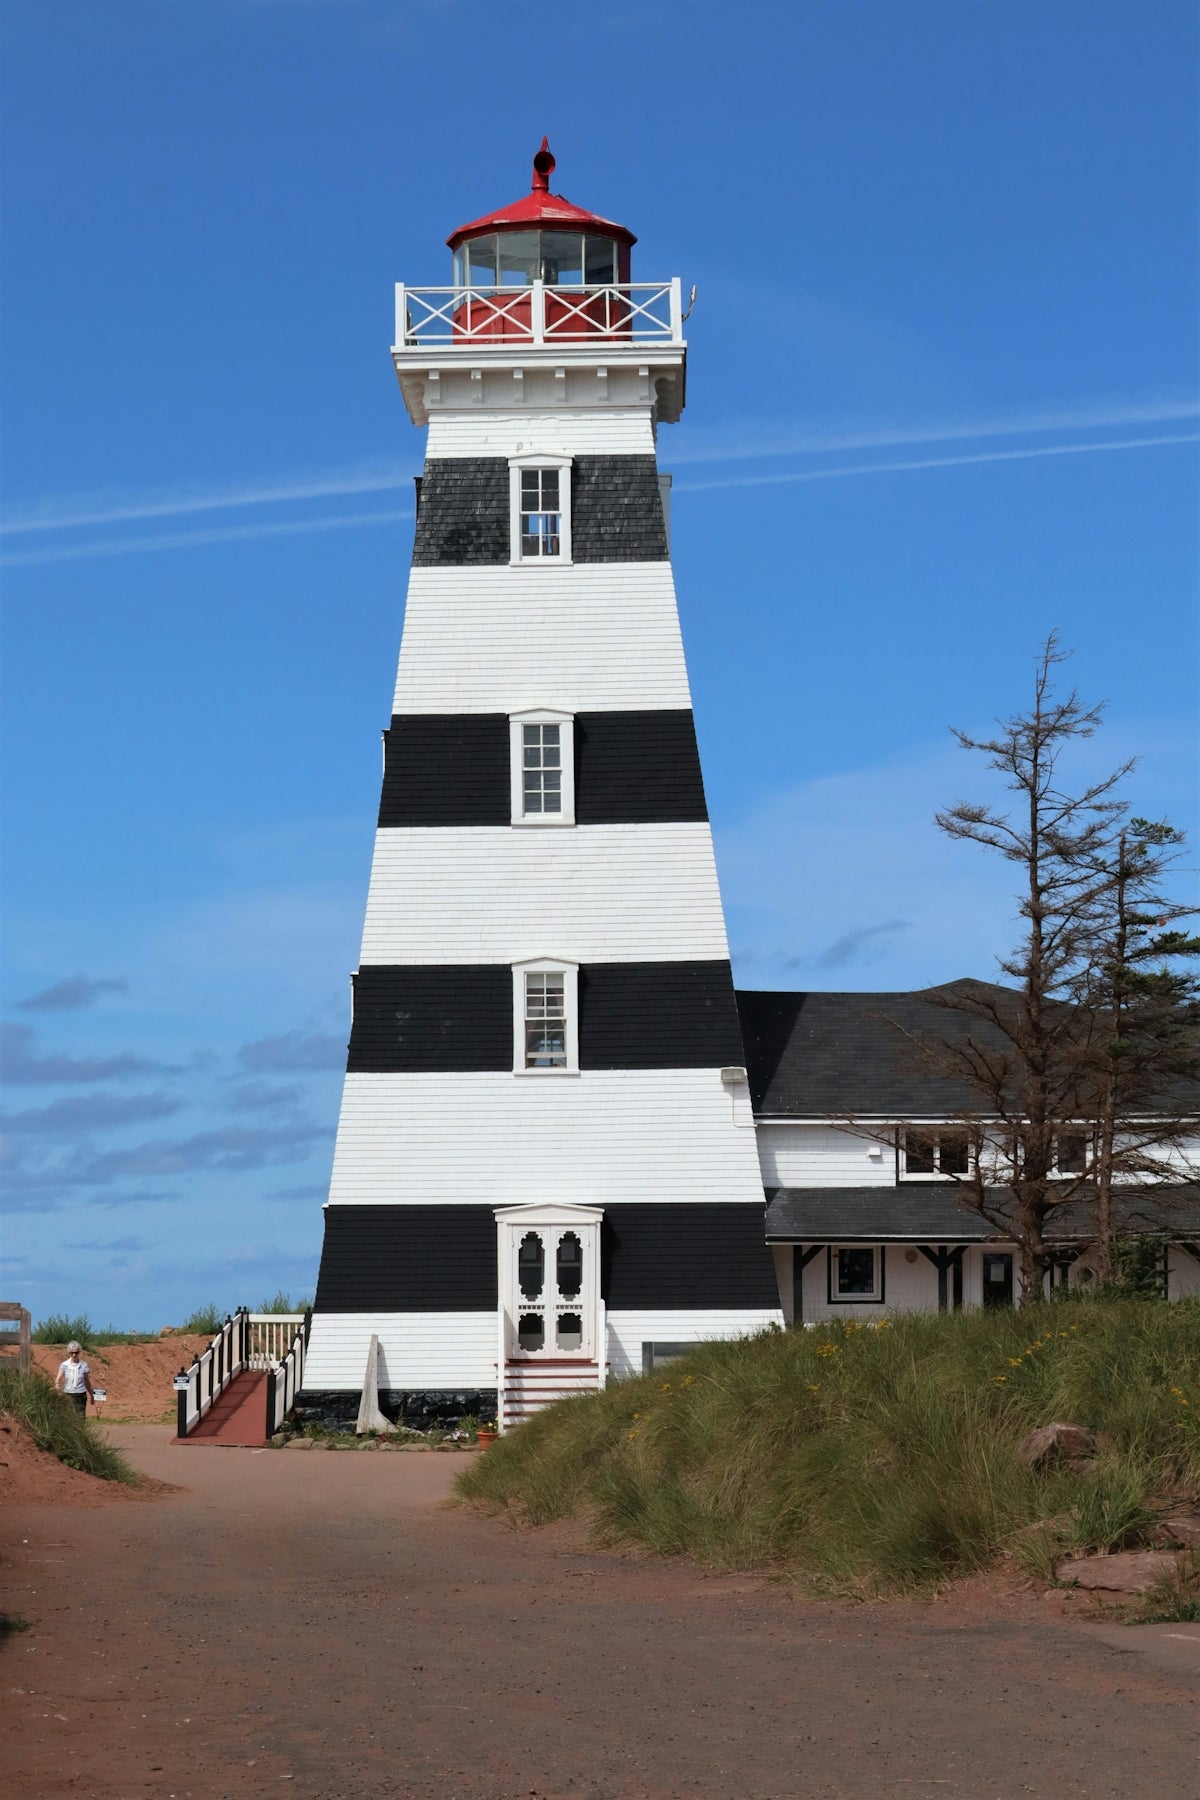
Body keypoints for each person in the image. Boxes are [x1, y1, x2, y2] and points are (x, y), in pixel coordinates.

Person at [55, 1341, 94, 1414]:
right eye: (71, 1353)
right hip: (68, 1394)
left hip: (80, 1395)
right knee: (68, 1415)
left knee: (80, 1416)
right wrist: (57, 1388)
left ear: (79, 1352)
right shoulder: (64, 1365)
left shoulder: (84, 1365)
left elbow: (87, 1382)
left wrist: (91, 1395)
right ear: (69, 1352)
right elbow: (57, 1379)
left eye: (76, 1352)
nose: (74, 1355)